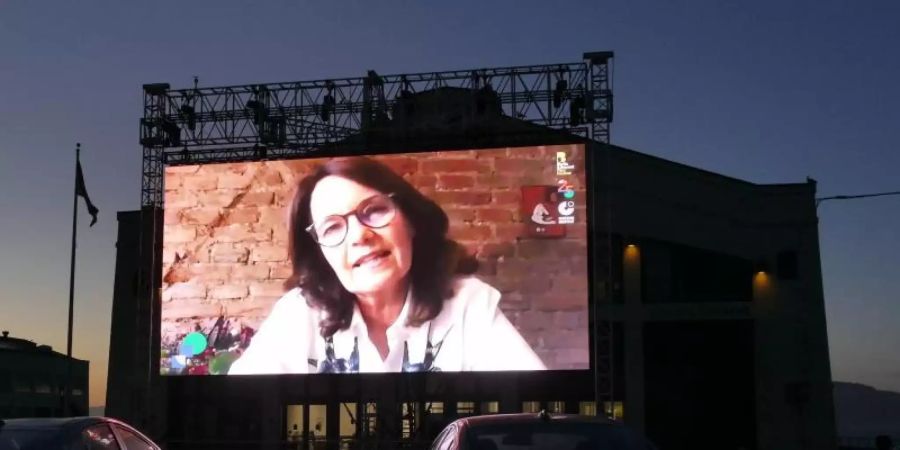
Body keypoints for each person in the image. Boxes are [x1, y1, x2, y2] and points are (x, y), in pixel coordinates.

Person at [229, 156, 545, 374]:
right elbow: (238, 417)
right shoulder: (298, 313)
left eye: (374, 210)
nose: (359, 236)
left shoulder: (469, 304)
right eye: (333, 228)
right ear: (321, 254)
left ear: (410, 221)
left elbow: (532, 415)